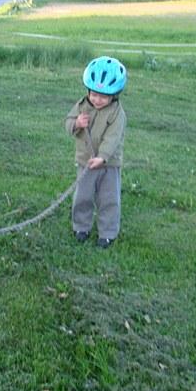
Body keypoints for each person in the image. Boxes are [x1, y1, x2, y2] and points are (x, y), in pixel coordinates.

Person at [64, 56, 127, 249]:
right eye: (94, 94)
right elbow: (68, 123)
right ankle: (81, 227)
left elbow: (113, 138)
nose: (97, 99)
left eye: (103, 96)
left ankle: (107, 232)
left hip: (108, 165)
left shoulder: (117, 114)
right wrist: (76, 124)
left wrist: (103, 157)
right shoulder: (82, 105)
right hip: (86, 162)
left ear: (114, 95)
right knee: (82, 196)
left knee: (108, 199)